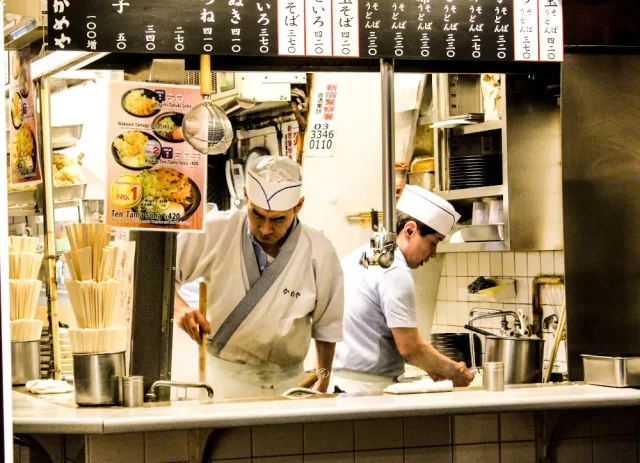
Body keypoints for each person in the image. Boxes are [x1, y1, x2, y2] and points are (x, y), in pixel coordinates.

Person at [175, 156, 344, 399]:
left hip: (290, 384)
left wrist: (323, 385)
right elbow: (162, 278)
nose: (265, 229)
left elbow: (327, 327)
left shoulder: (320, 250)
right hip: (224, 381)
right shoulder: (215, 230)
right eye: (257, 215)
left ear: (298, 206)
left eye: (278, 219)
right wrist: (181, 310)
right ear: (245, 195)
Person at [332, 185, 474, 393]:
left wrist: (433, 366)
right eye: (434, 242)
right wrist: (453, 371)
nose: (434, 254)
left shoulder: (359, 256)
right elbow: (411, 347)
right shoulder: (395, 270)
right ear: (409, 230)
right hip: (370, 390)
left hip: (340, 384)